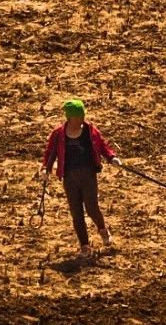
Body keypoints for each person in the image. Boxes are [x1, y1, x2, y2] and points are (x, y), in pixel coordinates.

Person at [41, 98, 119, 258]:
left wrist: (112, 157)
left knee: (91, 208)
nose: (81, 120)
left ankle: (102, 229)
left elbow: (102, 145)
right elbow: (50, 154)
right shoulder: (58, 135)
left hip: (88, 175)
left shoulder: (90, 131)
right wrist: (45, 169)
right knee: (76, 212)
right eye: (78, 117)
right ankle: (84, 245)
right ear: (69, 118)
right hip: (70, 178)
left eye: (82, 116)